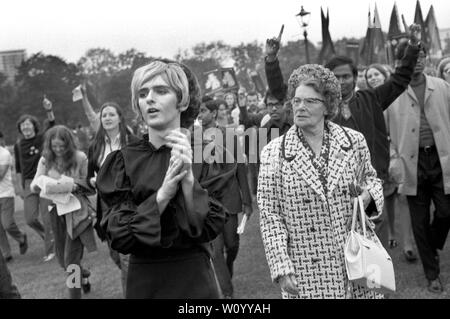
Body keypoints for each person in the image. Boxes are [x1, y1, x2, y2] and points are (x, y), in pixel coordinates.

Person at [264, 25, 422, 248]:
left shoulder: (371, 99)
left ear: (355, 77)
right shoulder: (318, 108)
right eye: (336, 77)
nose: (342, 81)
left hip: (370, 184)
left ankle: (376, 279)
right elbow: (283, 93)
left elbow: (400, 79)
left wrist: (414, 47)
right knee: (343, 247)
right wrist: (271, 60)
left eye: (347, 76)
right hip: (332, 192)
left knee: (375, 245)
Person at [96, 59, 228, 299]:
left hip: (195, 280)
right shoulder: (122, 162)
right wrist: (163, 194)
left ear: (182, 100)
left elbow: (210, 226)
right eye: (143, 93)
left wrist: (188, 180)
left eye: (161, 91)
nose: (150, 99)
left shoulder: (205, 154)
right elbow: (119, 235)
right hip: (145, 283)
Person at [259, 64, 384, 299]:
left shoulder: (353, 141)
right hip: (306, 270)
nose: (301, 107)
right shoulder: (273, 152)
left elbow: (372, 179)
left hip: (357, 261)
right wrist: (281, 267)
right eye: (296, 101)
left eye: (310, 101)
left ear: (327, 105)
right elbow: (270, 215)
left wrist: (368, 195)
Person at [385, 42, 450, 294]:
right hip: (409, 163)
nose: (419, 60)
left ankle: (432, 243)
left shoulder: (443, 87)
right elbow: (383, 134)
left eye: (422, 56)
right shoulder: (391, 92)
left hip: (440, 159)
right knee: (419, 221)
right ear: (400, 62)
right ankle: (432, 275)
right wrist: (392, 159)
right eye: (413, 57)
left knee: (446, 212)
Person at [30, 125, 97, 299]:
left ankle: (75, 295)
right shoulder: (45, 160)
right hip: (55, 212)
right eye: (55, 146)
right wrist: (41, 185)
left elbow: (91, 186)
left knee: (71, 261)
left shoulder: (80, 157)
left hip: (77, 214)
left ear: (69, 144)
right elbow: (35, 182)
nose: (58, 150)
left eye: (62, 146)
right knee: (63, 261)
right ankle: (83, 275)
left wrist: (74, 185)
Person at [197, 99, 252, 298]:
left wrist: (247, 200)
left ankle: (227, 270)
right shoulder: (195, 139)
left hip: (229, 198)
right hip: (208, 202)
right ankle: (227, 293)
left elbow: (240, 167)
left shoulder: (228, 135)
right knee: (216, 249)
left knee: (232, 244)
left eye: (203, 111)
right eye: (198, 112)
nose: (200, 115)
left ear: (213, 113)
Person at [365, 64, 417, 262]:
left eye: (376, 73)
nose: (373, 78)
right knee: (386, 198)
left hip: (399, 151)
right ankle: (391, 235)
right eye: (369, 75)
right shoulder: (366, 98)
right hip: (378, 155)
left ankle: (408, 242)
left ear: (385, 75)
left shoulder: (397, 96)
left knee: (403, 196)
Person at [86, 101, 138, 297]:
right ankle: (139, 276)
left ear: (119, 118)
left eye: (110, 114)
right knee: (116, 254)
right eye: (103, 115)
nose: (106, 118)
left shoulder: (132, 142)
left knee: (126, 258)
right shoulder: (95, 146)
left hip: (128, 202)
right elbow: (89, 178)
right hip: (105, 205)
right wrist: (93, 181)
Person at [14, 96, 56, 261]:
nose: (25, 126)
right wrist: (19, 187)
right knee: (30, 219)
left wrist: (49, 110)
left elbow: (52, 125)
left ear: (34, 126)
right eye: (22, 124)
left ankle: (51, 250)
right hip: (28, 183)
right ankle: (48, 236)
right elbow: (18, 167)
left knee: (47, 218)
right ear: (20, 128)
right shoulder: (18, 145)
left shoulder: (43, 138)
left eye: (28, 123)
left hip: (44, 179)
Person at [0, 131, 28, 262]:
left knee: (7, 224)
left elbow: (0, 175)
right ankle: (6, 254)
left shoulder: (4, 153)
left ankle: (21, 237)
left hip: (5, 194)